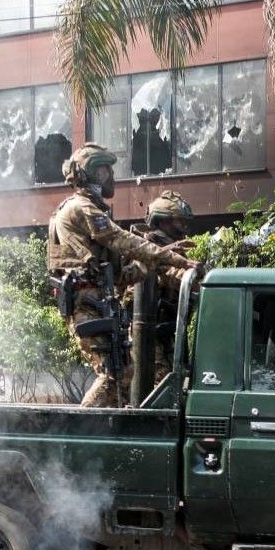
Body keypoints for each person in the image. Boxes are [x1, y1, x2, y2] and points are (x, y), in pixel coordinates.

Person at [46, 144, 194, 407]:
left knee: (123, 372)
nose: (112, 177)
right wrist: (172, 258)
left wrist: (156, 261)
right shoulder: (81, 208)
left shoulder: (91, 210)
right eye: (107, 170)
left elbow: (123, 277)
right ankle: (81, 430)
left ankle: (108, 430)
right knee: (115, 374)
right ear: (94, 172)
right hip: (85, 304)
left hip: (97, 304)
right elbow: (121, 239)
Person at [128, 190, 195, 399]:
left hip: (166, 332)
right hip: (149, 336)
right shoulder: (153, 250)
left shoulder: (172, 250)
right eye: (180, 222)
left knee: (178, 384)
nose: (184, 227)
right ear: (164, 222)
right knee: (162, 391)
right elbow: (175, 276)